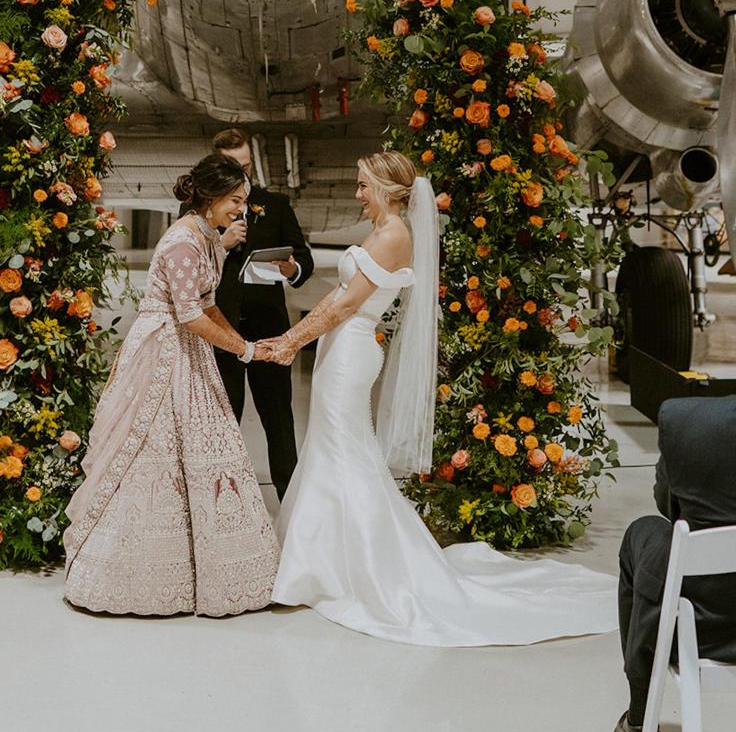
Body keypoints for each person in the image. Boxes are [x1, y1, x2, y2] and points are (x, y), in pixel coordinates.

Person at [262, 150, 618, 646]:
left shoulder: (393, 237)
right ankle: (318, 560)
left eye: (364, 185)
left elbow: (346, 304)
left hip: (350, 353)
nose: (357, 194)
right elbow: (336, 293)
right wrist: (293, 337)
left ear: (387, 189)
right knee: (330, 448)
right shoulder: (381, 232)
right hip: (335, 350)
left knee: (347, 454)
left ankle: (351, 565)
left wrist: (291, 343)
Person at [64, 153, 279, 617]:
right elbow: (189, 314)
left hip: (190, 346)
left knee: (207, 449)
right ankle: (135, 572)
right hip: (164, 351)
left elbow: (207, 303)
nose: (241, 209)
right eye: (235, 200)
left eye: (244, 201)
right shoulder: (183, 241)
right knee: (151, 453)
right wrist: (243, 352)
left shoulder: (206, 235)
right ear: (211, 196)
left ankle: (209, 570)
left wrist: (246, 344)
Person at [614, 395, 736, 732]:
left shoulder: (687, 418)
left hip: (704, 628)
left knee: (647, 533)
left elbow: (667, 503)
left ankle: (639, 719)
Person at [211, 127, 313, 500]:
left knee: (278, 419)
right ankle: (223, 504)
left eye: (245, 166)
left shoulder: (278, 205)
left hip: (269, 329)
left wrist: (291, 269)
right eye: (231, 167)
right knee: (222, 422)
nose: (242, 175)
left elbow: (304, 261)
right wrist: (220, 244)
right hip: (221, 332)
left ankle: (291, 502)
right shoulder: (201, 210)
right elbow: (188, 268)